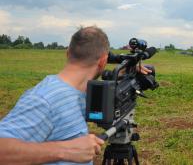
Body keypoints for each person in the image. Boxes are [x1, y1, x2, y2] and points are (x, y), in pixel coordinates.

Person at [0, 26, 152, 164]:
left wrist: (126, 74)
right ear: (103, 61)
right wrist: (64, 150)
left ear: (67, 53)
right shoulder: (44, 99)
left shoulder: (76, 92)